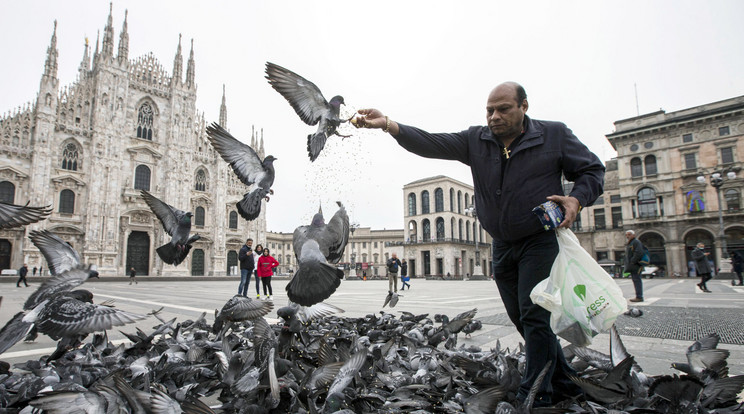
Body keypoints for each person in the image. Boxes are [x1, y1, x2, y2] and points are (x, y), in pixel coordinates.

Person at [354, 81, 603, 407]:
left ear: (524, 106)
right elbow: (432, 143)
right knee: (522, 318)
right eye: (489, 110)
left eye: (503, 109)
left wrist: (576, 199)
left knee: (535, 316)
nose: (494, 117)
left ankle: (535, 396)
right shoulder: (477, 140)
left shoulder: (553, 136)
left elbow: (592, 170)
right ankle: (564, 380)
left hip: (539, 240)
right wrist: (388, 124)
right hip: (501, 244)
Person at [623, 230, 645, 302]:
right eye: (626, 235)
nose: (627, 236)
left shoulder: (635, 242)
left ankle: (639, 297)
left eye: (629, 234)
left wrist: (632, 261)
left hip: (636, 265)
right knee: (636, 280)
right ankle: (638, 296)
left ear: (633, 235)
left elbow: (639, 252)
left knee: (637, 280)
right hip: (634, 265)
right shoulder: (631, 243)